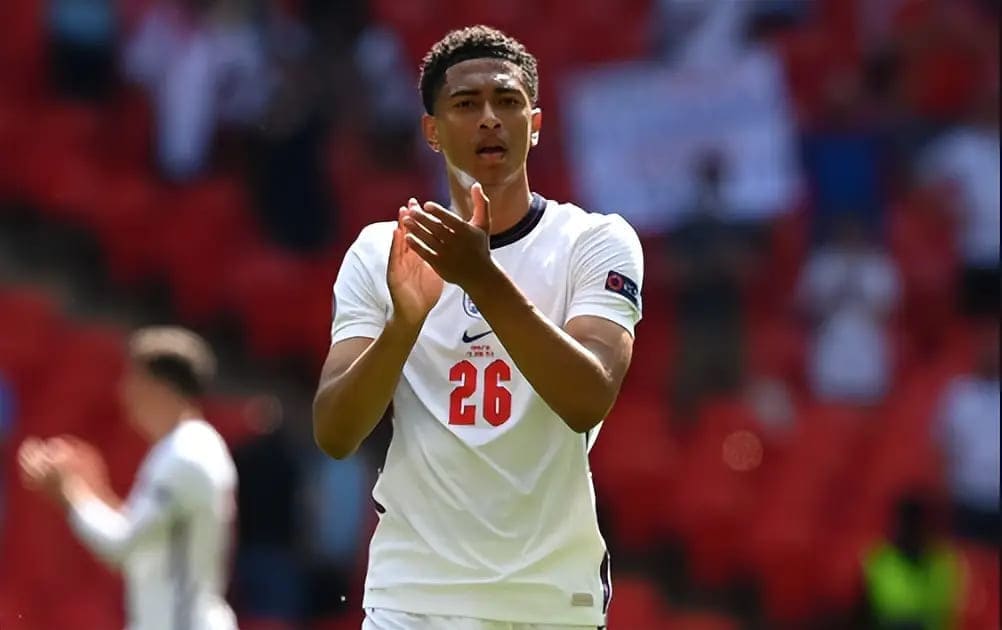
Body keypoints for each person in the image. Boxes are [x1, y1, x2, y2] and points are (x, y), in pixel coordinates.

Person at [312, 25, 644, 630]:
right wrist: (404, 324)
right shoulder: (380, 252)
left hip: (550, 600)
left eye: (507, 101)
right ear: (432, 131)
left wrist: (481, 278)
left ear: (534, 124)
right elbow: (334, 433)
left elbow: (588, 398)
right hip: (413, 599)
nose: (489, 118)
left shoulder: (596, 241)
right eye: (466, 104)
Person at [17, 326, 238, 630]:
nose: (124, 393)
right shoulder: (186, 447)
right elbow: (143, 544)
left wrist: (70, 492)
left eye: (133, 380)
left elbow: (121, 545)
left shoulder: (186, 455)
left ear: (158, 387)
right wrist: (92, 490)